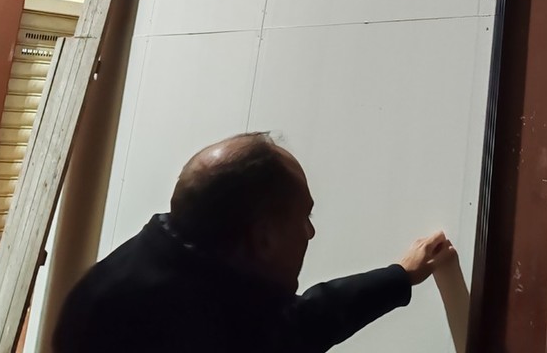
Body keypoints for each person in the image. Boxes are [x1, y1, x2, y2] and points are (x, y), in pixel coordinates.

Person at [54, 132, 455, 352]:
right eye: (304, 218)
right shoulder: (204, 329)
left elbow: (296, 322)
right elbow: (297, 328)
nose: (310, 233)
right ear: (263, 237)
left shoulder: (138, 270)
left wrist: (399, 276)